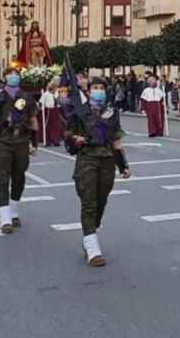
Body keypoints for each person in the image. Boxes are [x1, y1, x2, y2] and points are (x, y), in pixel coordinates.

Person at [65, 77, 130, 266]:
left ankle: (90, 232)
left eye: (102, 87)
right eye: (95, 87)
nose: (98, 90)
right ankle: (92, 248)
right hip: (87, 158)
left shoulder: (111, 112)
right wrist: (75, 139)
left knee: (102, 199)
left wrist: (123, 165)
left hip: (107, 159)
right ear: (89, 90)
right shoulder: (79, 110)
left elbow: (116, 140)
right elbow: (68, 135)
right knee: (89, 201)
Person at [0, 67, 38, 234]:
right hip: (3, 141)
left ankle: (14, 211)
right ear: (4, 77)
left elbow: (33, 120)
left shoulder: (27, 96)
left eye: (16, 74)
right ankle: (5, 218)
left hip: (22, 141)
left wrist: (34, 143)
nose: (13, 76)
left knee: (19, 178)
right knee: (2, 178)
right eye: (10, 74)